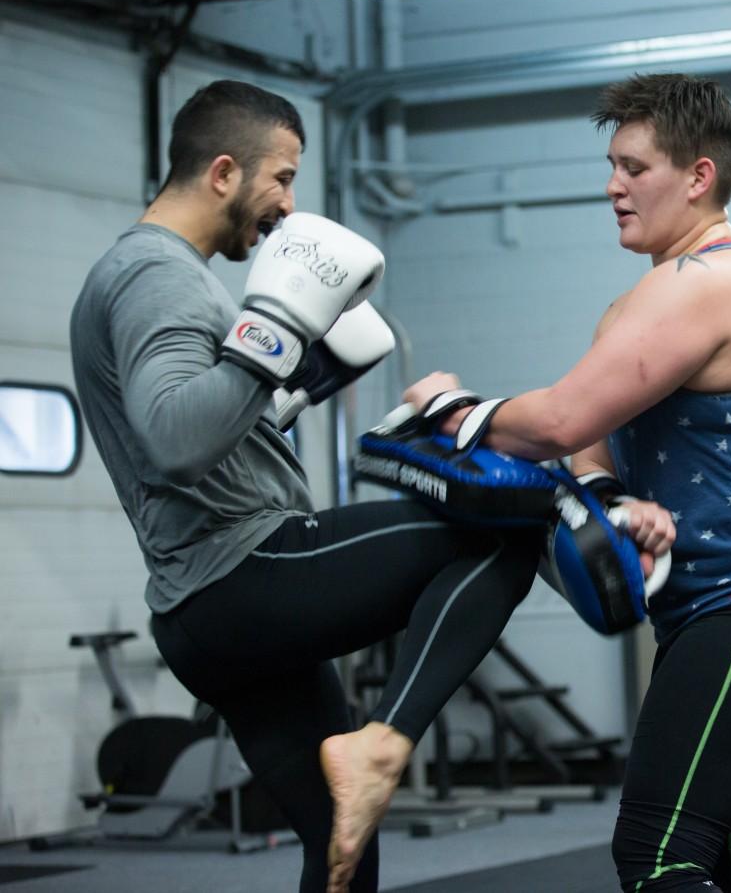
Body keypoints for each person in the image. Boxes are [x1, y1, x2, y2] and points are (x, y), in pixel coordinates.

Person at [69, 79, 577, 893]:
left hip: (204, 612)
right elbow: (172, 439)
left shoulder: (160, 275)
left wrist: (294, 383)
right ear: (225, 172)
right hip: (245, 570)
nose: (288, 205)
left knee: (342, 851)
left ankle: (366, 767)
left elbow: (205, 422)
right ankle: (386, 742)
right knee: (504, 529)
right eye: (281, 178)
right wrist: (276, 333)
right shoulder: (155, 274)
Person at [404, 73, 731, 892]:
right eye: (612, 165)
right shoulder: (642, 300)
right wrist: (614, 498)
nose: (613, 186)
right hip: (723, 612)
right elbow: (591, 444)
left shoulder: (713, 282)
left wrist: (452, 409)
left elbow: (559, 420)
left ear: (698, 177)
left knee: (656, 857)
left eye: (634, 167)